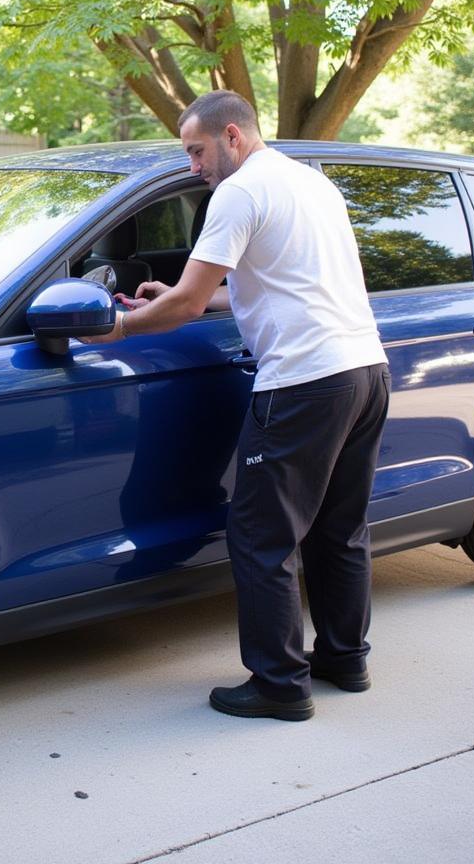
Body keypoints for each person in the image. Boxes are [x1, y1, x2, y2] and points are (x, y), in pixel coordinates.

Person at [80, 90, 390, 721]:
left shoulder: (238, 192)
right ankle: (344, 658)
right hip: (364, 370)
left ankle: (279, 685)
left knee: (260, 535)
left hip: (304, 382)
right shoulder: (309, 184)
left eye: (196, 151)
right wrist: (177, 294)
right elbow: (275, 287)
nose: (192, 165)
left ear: (232, 137)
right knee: (339, 529)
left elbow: (189, 306)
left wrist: (116, 330)